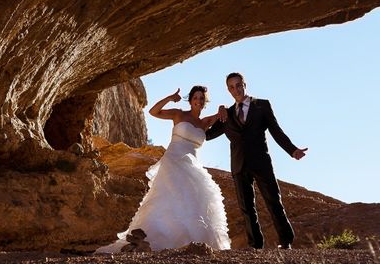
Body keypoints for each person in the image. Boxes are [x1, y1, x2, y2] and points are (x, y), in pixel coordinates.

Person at [96, 86, 231, 253]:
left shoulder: (205, 122)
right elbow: (154, 111)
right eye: (195, 97)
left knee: (192, 202)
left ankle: (190, 242)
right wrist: (169, 97)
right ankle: (153, 239)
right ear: (190, 100)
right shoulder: (178, 114)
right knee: (167, 199)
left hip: (193, 166)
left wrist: (222, 107)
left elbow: (225, 115)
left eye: (202, 98)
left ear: (205, 102)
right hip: (173, 161)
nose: (198, 100)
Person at [205, 72, 307, 249]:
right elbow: (207, 135)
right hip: (239, 165)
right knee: (246, 209)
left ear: (244, 84)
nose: (235, 89)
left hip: (261, 162)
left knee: (273, 202)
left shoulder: (262, 106)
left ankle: (286, 242)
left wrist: (292, 150)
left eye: (238, 85)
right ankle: (255, 245)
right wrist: (216, 114)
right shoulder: (226, 114)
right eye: (231, 87)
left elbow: (276, 131)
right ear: (228, 90)